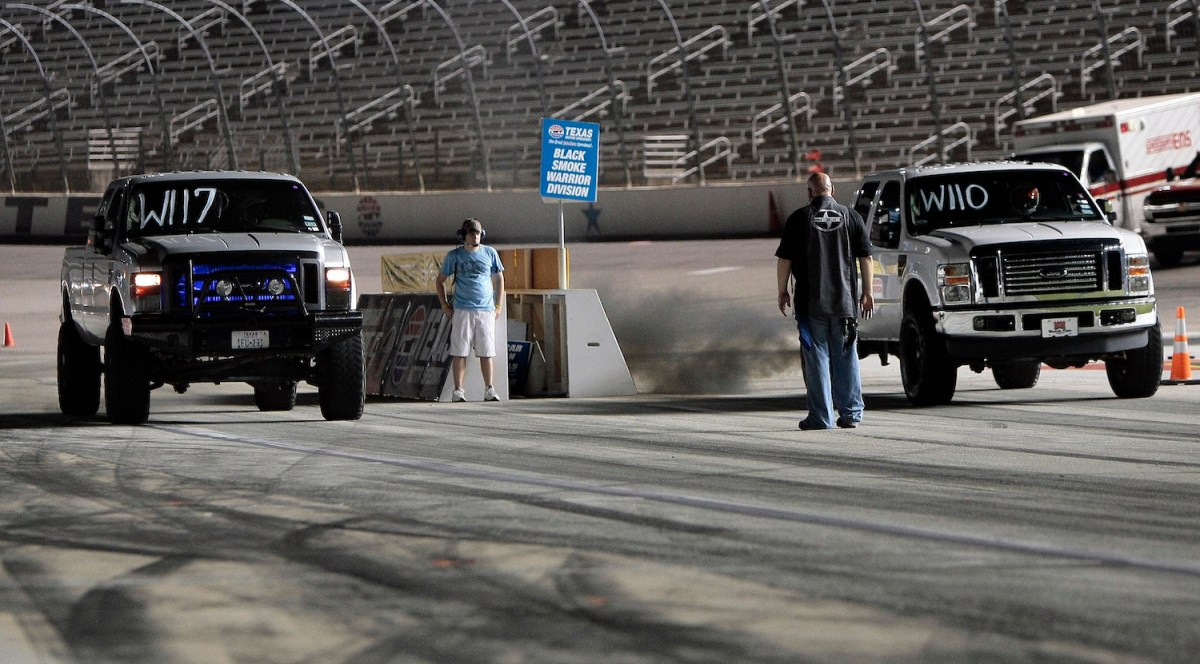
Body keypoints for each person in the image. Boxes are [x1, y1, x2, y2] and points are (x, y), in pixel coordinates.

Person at [775, 172, 874, 430]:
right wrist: (867, 292)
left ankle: (821, 417)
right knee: (846, 356)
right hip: (845, 303)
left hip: (811, 304)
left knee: (816, 358)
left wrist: (782, 290)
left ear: (809, 193)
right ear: (833, 189)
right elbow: (866, 257)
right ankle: (851, 413)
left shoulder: (798, 218)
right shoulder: (852, 216)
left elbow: (784, 259)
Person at [436, 218, 505, 402]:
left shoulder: (490, 253)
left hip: (485, 309)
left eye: (478, 233)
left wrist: (498, 305)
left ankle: (489, 388)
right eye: (472, 233)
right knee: (460, 351)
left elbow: (499, 280)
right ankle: (458, 390)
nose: (475, 237)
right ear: (463, 236)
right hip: (462, 309)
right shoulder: (454, 256)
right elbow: (440, 280)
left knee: (487, 350)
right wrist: (444, 304)